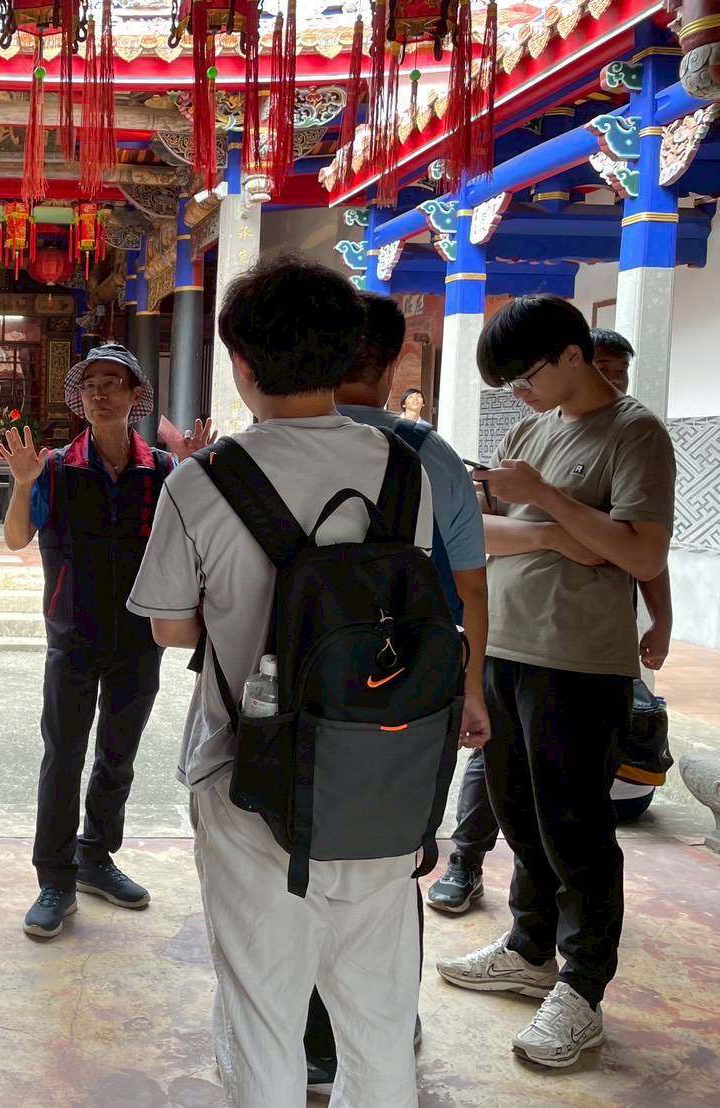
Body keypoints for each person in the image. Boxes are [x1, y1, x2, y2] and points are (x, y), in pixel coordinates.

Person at [128, 256, 446, 1107]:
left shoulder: (201, 482)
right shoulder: (402, 470)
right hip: (380, 771)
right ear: (348, 355)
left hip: (250, 776)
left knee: (262, 1013)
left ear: (240, 362)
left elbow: (168, 627)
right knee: (378, 1018)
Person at [435, 296, 675, 1068]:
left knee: (575, 831)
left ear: (570, 356)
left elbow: (639, 554)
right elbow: (473, 532)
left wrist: (541, 499)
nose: (518, 394)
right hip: (503, 645)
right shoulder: (527, 431)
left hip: (579, 659)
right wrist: (561, 535)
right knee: (517, 815)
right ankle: (529, 949)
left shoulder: (634, 433)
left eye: (523, 377)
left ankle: (581, 988)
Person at [297, 291, 493, 1089]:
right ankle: (384, 1021)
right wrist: (470, 688)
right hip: (410, 694)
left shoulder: (282, 445)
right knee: (395, 853)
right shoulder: (427, 453)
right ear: (387, 362)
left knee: (303, 850)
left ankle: (311, 1039)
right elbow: (469, 586)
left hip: (309, 690)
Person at [0, 342, 211, 940]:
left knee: (118, 754)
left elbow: (195, 540)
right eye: (91, 384)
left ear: (136, 396)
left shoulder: (163, 471)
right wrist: (22, 484)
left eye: (113, 382)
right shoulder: (56, 467)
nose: (100, 392)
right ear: (80, 399)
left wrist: (195, 474)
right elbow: (16, 537)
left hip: (141, 636)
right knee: (62, 754)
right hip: (72, 634)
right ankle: (55, 878)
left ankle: (95, 856)